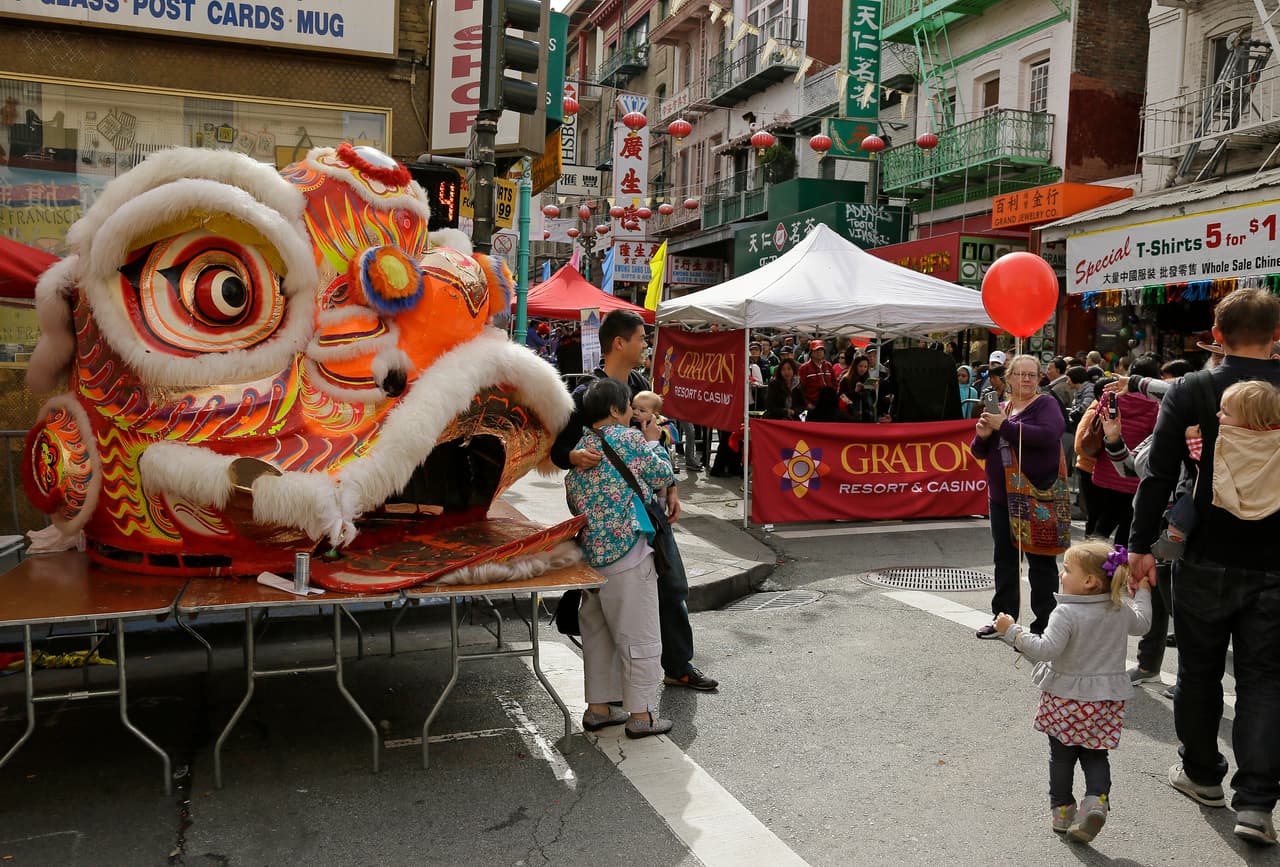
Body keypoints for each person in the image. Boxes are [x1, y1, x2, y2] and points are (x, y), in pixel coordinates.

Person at [1127, 287, 1280, 846]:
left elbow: (1159, 474)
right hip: (1275, 562)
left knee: (1199, 669)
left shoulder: (1194, 387)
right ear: (1277, 335)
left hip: (1203, 555)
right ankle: (1258, 802)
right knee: (1265, 679)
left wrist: (1141, 545)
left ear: (1216, 334)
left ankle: (1201, 775)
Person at [550, 310, 719, 693]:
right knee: (612, 601)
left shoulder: (640, 384)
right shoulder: (587, 394)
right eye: (642, 338)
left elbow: (656, 436)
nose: (646, 344)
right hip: (608, 516)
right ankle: (621, 691)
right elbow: (558, 448)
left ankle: (677, 664)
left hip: (647, 506)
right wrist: (576, 457)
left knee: (671, 584)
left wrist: (670, 487)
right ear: (619, 343)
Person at [994, 541, 1153, 842]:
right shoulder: (1118, 609)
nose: (1061, 575)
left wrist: (1011, 631)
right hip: (1105, 701)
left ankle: (1062, 811)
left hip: (1065, 698)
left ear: (1090, 581)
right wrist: (1142, 590)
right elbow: (1144, 623)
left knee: (1062, 755)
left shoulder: (1065, 612)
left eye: (1067, 570)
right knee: (1095, 754)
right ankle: (1095, 802)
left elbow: (1045, 649)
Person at [566, 379, 675, 738]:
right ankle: (641, 715)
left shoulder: (580, 447)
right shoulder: (628, 439)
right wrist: (655, 441)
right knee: (638, 634)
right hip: (628, 551)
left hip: (591, 557)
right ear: (615, 410)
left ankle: (598, 708)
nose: (632, 412)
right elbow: (662, 474)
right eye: (628, 406)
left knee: (598, 635)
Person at [971, 353, 1066, 638]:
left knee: (1041, 563)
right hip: (1001, 497)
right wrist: (984, 433)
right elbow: (978, 451)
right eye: (1020, 374)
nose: (1026, 379)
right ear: (1008, 377)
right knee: (1005, 560)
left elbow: (1049, 435)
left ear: (1039, 379)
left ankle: (1046, 627)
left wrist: (1004, 426)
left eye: (1032, 375)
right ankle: (1003, 619)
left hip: (1037, 496)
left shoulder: (1046, 404)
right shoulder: (1002, 408)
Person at [1080, 359, 1161, 545]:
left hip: (1105, 471)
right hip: (1134, 473)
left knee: (1102, 523)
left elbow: (1096, 424)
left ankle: (1089, 561)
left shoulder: (1110, 396)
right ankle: (1119, 569)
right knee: (1126, 527)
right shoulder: (1155, 404)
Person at [838, 354, 876, 422]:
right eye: (860, 366)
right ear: (855, 366)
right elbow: (841, 396)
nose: (863, 369)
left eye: (865, 367)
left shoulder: (867, 379)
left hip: (866, 416)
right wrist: (855, 391)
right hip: (851, 415)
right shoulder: (846, 379)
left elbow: (873, 400)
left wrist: (873, 390)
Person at [798, 339, 835, 409]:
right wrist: (807, 403)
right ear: (811, 352)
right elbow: (800, 389)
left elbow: (834, 383)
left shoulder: (828, 365)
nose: (819, 352)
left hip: (829, 405)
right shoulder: (804, 368)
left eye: (821, 350)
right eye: (816, 350)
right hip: (813, 406)